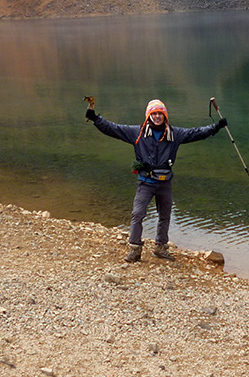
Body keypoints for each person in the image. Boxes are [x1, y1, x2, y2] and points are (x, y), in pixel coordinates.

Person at [86, 99, 227, 262]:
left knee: (165, 215)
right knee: (137, 214)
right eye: (154, 114)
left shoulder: (175, 134)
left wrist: (216, 127)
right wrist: (96, 118)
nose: (158, 116)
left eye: (160, 113)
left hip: (165, 183)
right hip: (145, 182)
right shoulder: (137, 132)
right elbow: (113, 129)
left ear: (165, 116)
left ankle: (160, 248)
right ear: (149, 116)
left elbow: (196, 133)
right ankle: (135, 249)